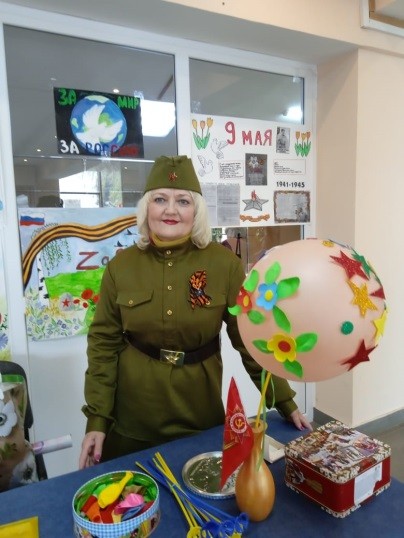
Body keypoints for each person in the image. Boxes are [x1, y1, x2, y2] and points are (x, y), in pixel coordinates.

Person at [79, 155, 312, 469]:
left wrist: (285, 401)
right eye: (160, 199)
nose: (171, 210)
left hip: (201, 416)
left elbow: (249, 339)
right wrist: (97, 418)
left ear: (196, 210)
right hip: (133, 418)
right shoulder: (121, 267)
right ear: (146, 208)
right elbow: (102, 345)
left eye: (183, 201)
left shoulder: (224, 265)